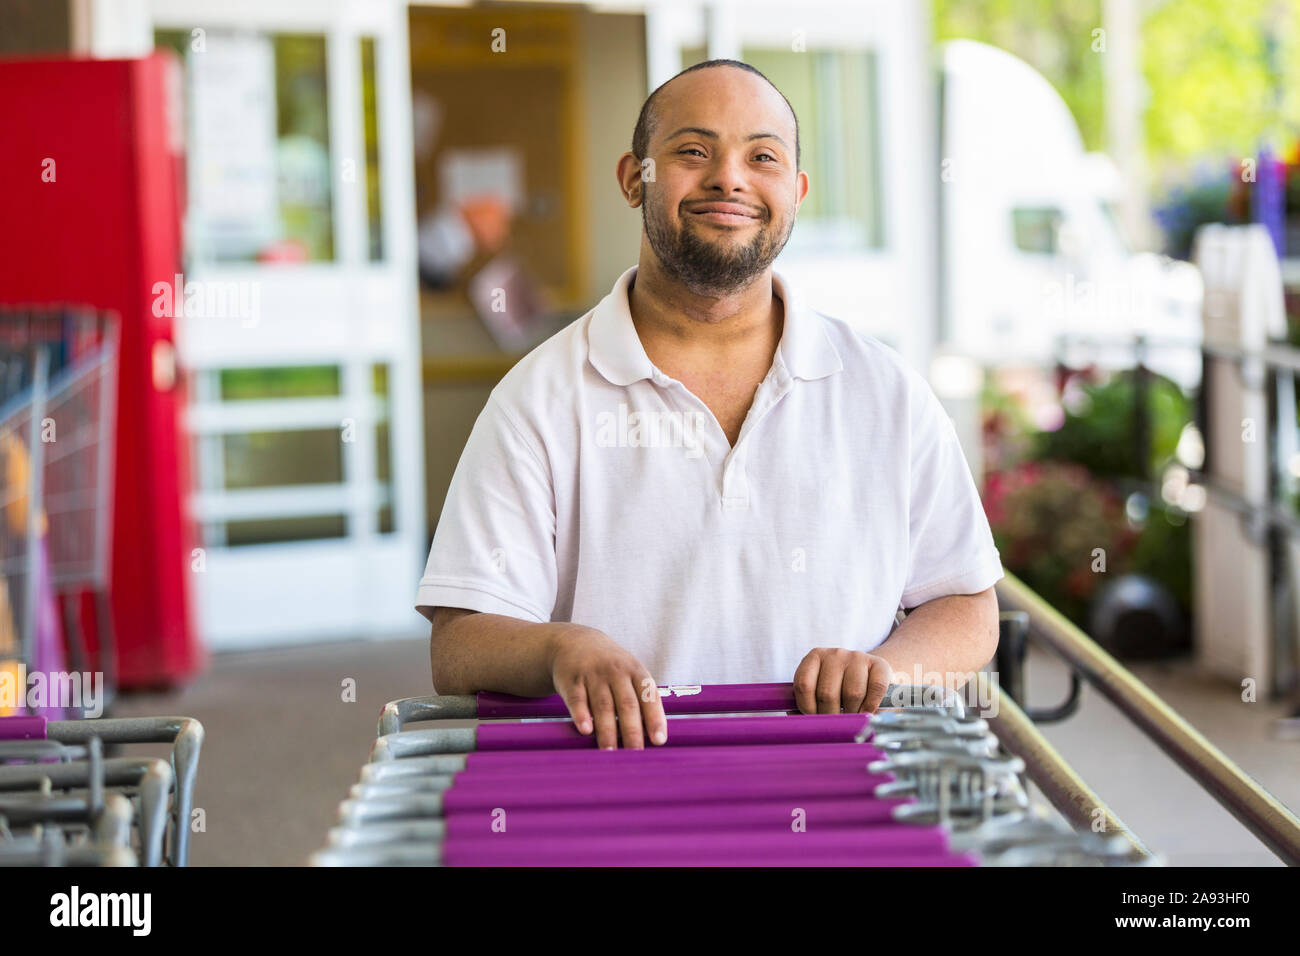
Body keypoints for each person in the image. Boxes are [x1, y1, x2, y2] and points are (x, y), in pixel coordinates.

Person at [415, 59, 1003, 750]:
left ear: (797, 190)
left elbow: (967, 604)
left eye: (763, 157)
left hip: (845, 788)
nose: (730, 177)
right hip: (628, 804)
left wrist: (883, 671)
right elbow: (459, 647)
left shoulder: (885, 390)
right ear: (635, 178)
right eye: (694, 151)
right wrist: (560, 648)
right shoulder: (538, 400)